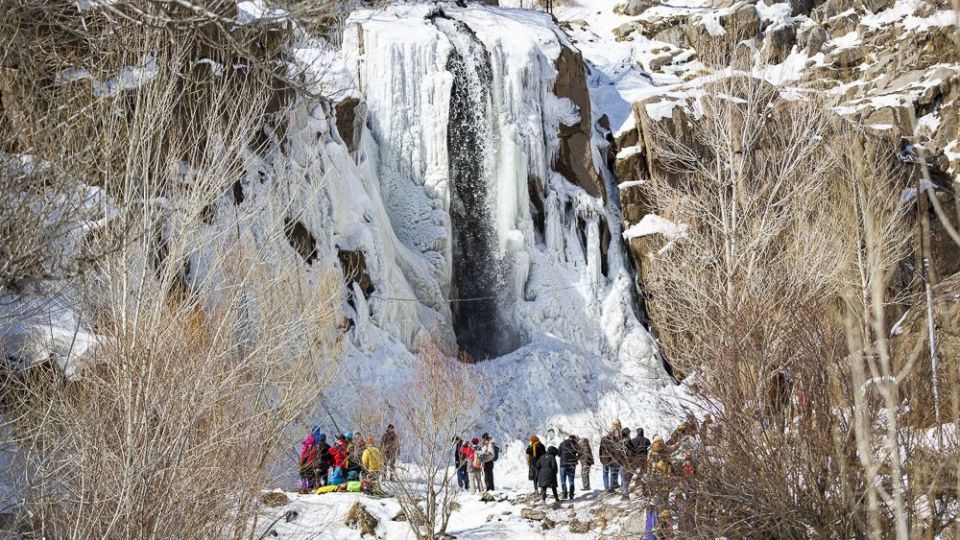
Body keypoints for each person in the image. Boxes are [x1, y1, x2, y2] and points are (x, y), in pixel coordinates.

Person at [599, 425, 622, 493]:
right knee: (612, 474)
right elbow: (617, 450)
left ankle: (606, 488)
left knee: (605, 474)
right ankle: (611, 489)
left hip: (605, 459)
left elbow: (600, 449)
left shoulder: (603, 439)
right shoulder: (615, 440)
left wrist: (601, 457)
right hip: (613, 459)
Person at [557, 434, 580, 500]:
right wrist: (575, 459)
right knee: (571, 481)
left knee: (563, 480)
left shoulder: (562, 443)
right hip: (572, 465)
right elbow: (580, 454)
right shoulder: (576, 445)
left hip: (563, 464)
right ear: (574, 439)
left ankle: (564, 495)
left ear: (568, 438)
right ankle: (571, 495)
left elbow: (558, 454)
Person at [630, 428, 651, 494]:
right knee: (644, 475)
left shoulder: (632, 440)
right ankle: (644, 490)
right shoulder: (646, 440)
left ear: (637, 432)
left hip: (635, 460)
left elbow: (630, 450)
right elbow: (649, 449)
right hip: (644, 459)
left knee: (632, 475)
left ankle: (634, 490)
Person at [618, 427, 635, 499]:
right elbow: (633, 450)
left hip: (622, 462)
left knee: (623, 476)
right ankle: (625, 493)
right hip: (628, 462)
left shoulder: (619, 441)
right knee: (626, 477)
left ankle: (624, 491)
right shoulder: (628, 441)